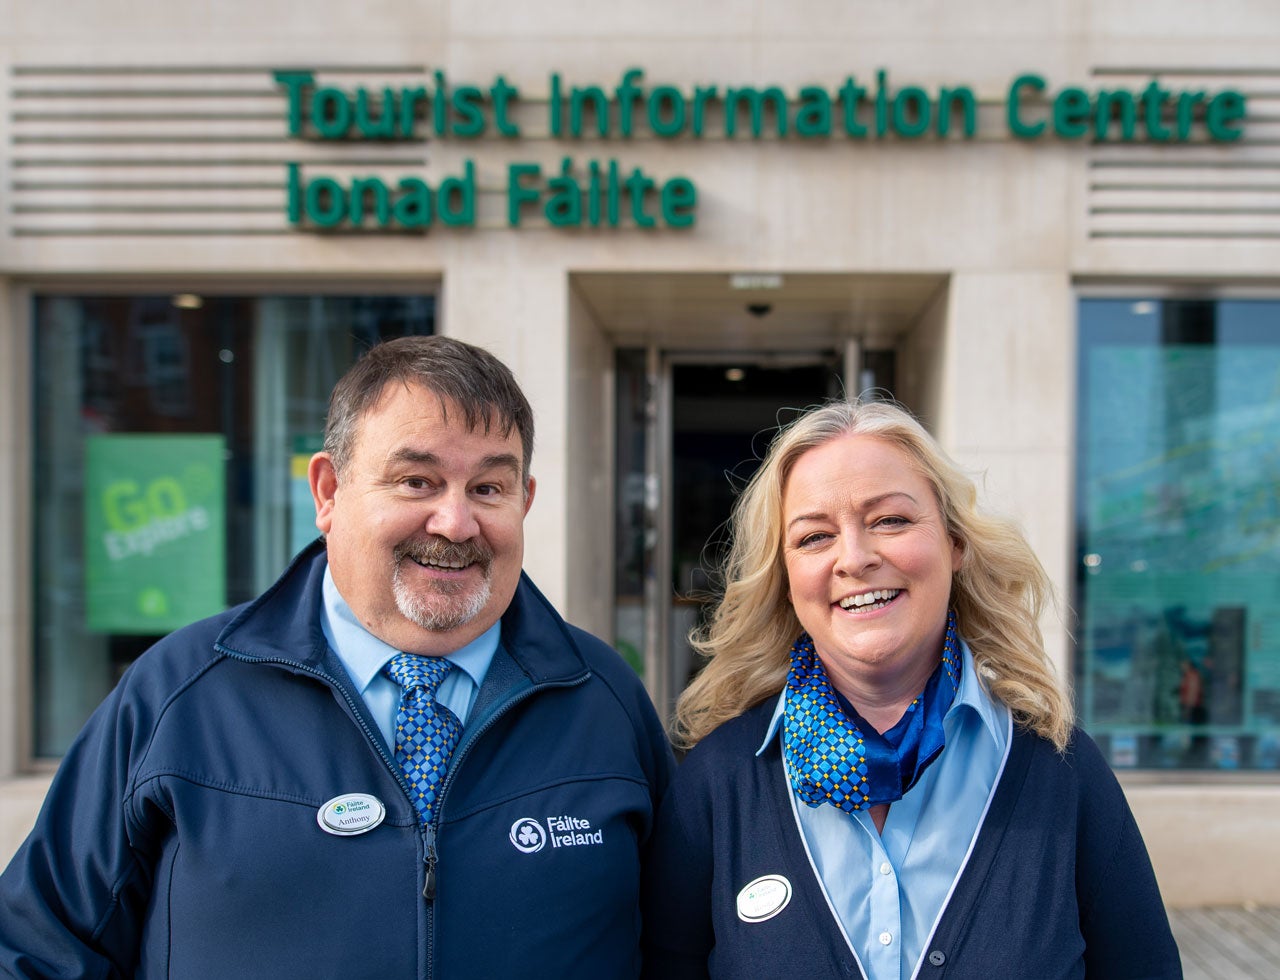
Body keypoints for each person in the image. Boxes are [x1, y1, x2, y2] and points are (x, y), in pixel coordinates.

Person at [1, 336, 674, 979]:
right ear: (328, 491)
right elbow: (37, 949)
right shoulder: (181, 693)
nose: (456, 523)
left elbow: (681, 946)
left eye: (488, 490)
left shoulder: (602, 695)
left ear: (524, 502)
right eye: (416, 481)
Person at [641, 399, 1181, 979]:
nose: (855, 558)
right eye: (814, 537)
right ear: (784, 578)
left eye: (890, 521)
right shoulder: (717, 783)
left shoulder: (1059, 771)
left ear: (955, 543)